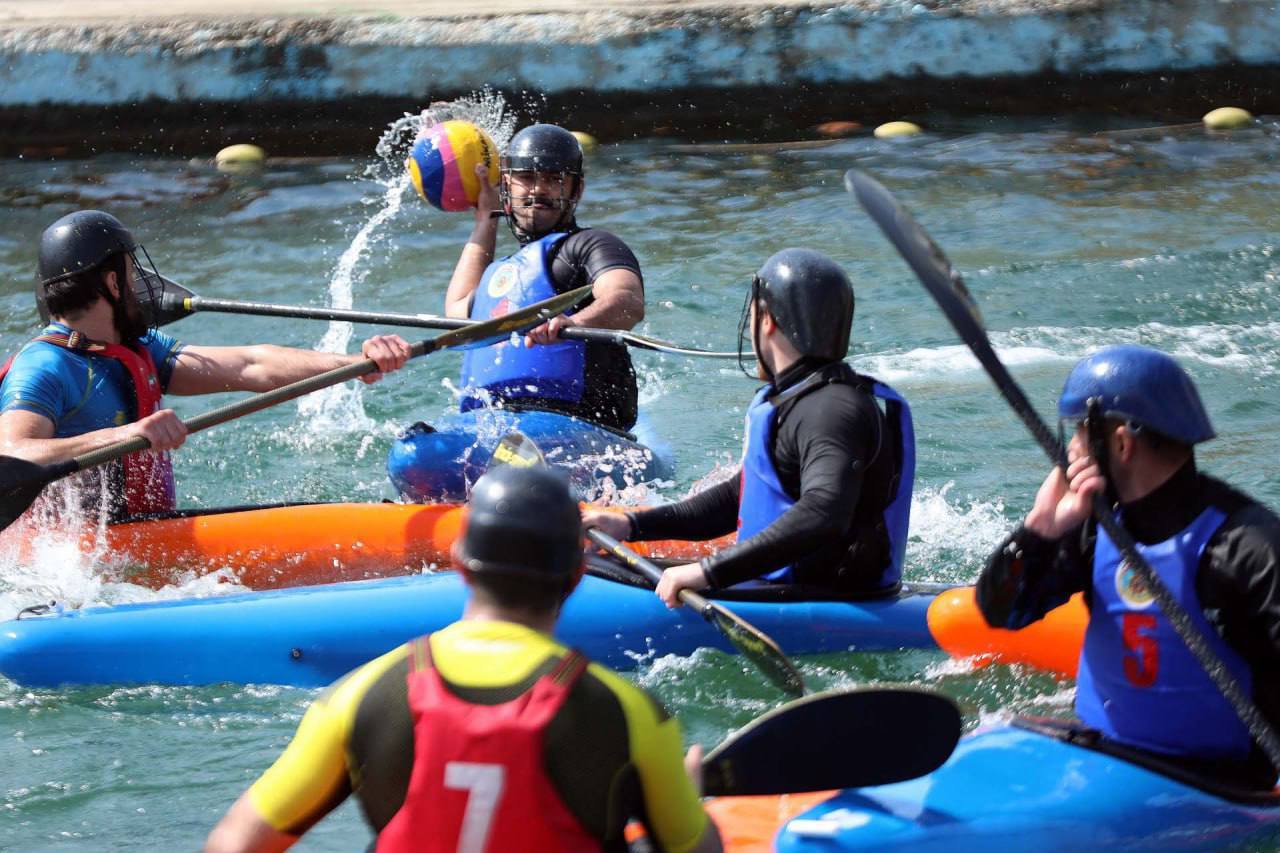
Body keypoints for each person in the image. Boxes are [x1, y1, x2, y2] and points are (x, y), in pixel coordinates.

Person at [205, 465, 722, 853]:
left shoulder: (360, 696)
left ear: (459, 566)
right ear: (576, 576)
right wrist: (689, 800)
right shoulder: (628, 713)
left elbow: (233, 845)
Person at [976, 344, 1280, 790]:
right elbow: (1002, 613)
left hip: (1213, 786)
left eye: (1079, 431)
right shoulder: (1095, 527)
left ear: (1121, 442)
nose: (1071, 449)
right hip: (1101, 759)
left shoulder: (1249, 547)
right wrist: (1038, 531)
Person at [0, 210, 412, 522]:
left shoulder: (140, 348)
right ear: (111, 283)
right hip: (72, 568)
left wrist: (355, 363)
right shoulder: (44, 366)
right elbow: (12, 451)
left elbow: (252, 364)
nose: (140, 282)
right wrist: (126, 434)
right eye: (130, 272)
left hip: (144, 540)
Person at [584, 248, 915, 605]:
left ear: (766, 319)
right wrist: (631, 525)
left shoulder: (831, 409)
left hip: (820, 598)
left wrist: (707, 572)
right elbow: (735, 500)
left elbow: (824, 513)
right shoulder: (802, 399)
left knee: (587, 571)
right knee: (593, 561)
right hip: (781, 586)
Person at [444, 123, 644, 433]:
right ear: (507, 187)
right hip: (499, 423)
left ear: (576, 190)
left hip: (585, 426)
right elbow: (457, 311)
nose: (538, 189)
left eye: (554, 180)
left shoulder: (592, 244)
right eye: (526, 178)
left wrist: (574, 324)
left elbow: (627, 300)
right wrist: (486, 220)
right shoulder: (502, 273)